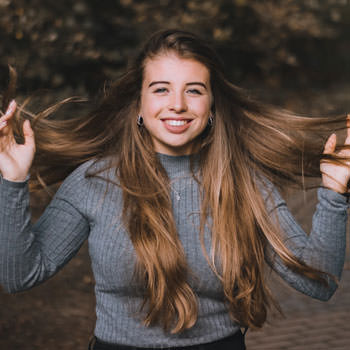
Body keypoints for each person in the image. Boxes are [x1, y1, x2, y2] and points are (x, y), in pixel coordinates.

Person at [0, 29, 349, 350]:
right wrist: (13, 182)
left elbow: (319, 283)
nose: (177, 104)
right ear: (139, 102)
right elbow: (20, 275)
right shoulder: (94, 180)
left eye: (194, 90)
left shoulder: (245, 182)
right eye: (161, 89)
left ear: (212, 104)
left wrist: (334, 193)